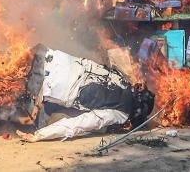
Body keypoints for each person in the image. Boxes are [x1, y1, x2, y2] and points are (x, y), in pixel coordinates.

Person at [14, 46, 154, 142]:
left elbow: (116, 53)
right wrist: (39, 135)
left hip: (49, 56)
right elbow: (80, 123)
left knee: (1, 66)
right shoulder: (121, 114)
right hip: (46, 87)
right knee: (4, 96)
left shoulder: (125, 80)